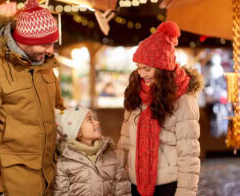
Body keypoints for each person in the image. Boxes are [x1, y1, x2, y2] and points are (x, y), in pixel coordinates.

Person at [0, 0, 64, 195]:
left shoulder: (45, 66)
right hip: (13, 184)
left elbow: (59, 112)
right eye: (45, 44)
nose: (50, 50)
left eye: (52, 43)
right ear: (25, 41)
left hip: (52, 182)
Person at [116, 21, 203, 196]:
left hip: (169, 185)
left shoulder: (184, 100)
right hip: (135, 183)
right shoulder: (135, 94)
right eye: (139, 68)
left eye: (147, 69)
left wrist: (185, 193)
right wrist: (118, 180)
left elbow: (189, 155)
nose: (141, 74)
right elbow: (124, 142)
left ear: (163, 69)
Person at [53, 107, 131, 196]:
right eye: (90, 120)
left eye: (94, 118)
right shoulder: (64, 163)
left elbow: (122, 190)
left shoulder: (111, 155)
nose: (97, 122)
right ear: (77, 131)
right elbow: (60, 193)